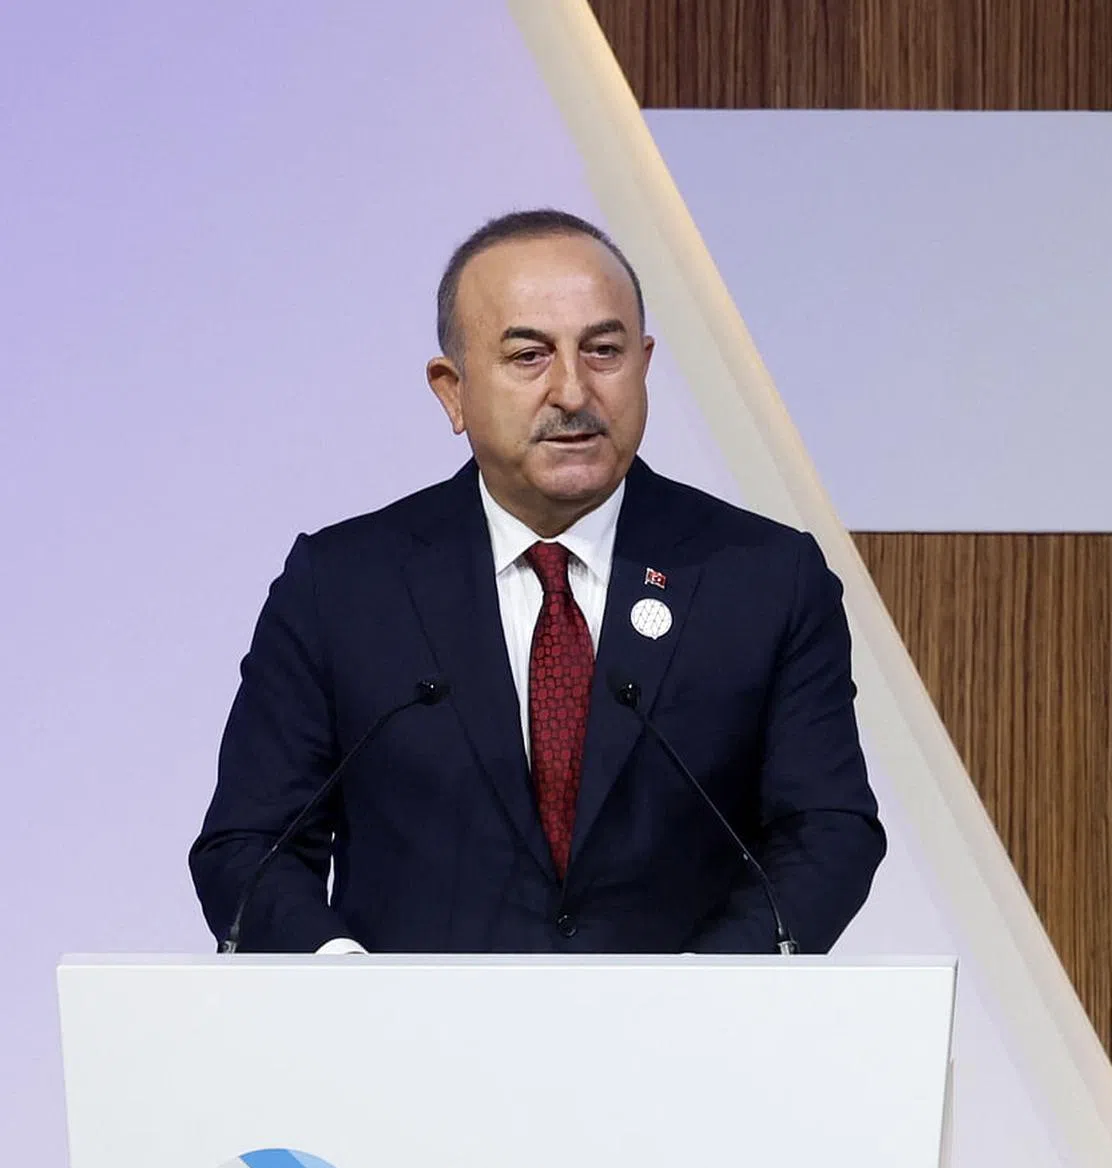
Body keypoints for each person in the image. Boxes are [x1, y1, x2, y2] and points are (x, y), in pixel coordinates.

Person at [190, 208, 885, 954]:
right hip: (406, 1026)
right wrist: (346, 983)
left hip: (685, 1024)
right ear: (452, 390)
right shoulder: (342, 586)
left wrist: (700, 987)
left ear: (645, 365)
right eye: (529, 356)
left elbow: (827, 831)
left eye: (604, 351)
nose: (573, 392)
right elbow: (249, 845)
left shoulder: (765, 578)